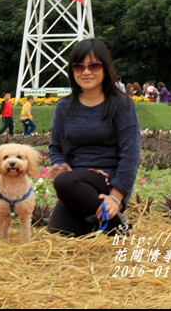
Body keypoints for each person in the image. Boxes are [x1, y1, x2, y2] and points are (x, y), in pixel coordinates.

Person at [48, 37, 141, 237]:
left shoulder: (120, 105)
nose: (86, 71)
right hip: (75, 183)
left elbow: (130, 154)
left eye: (94, 65)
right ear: (72, 71)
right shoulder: (64, 107)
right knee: (58, 235)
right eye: (79, 66)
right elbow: (55, 148)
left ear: (105, 68)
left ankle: (115, 221)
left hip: (106, 181)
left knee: (63, 182)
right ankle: (109, 225)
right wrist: (59, 164)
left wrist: (116, 197)